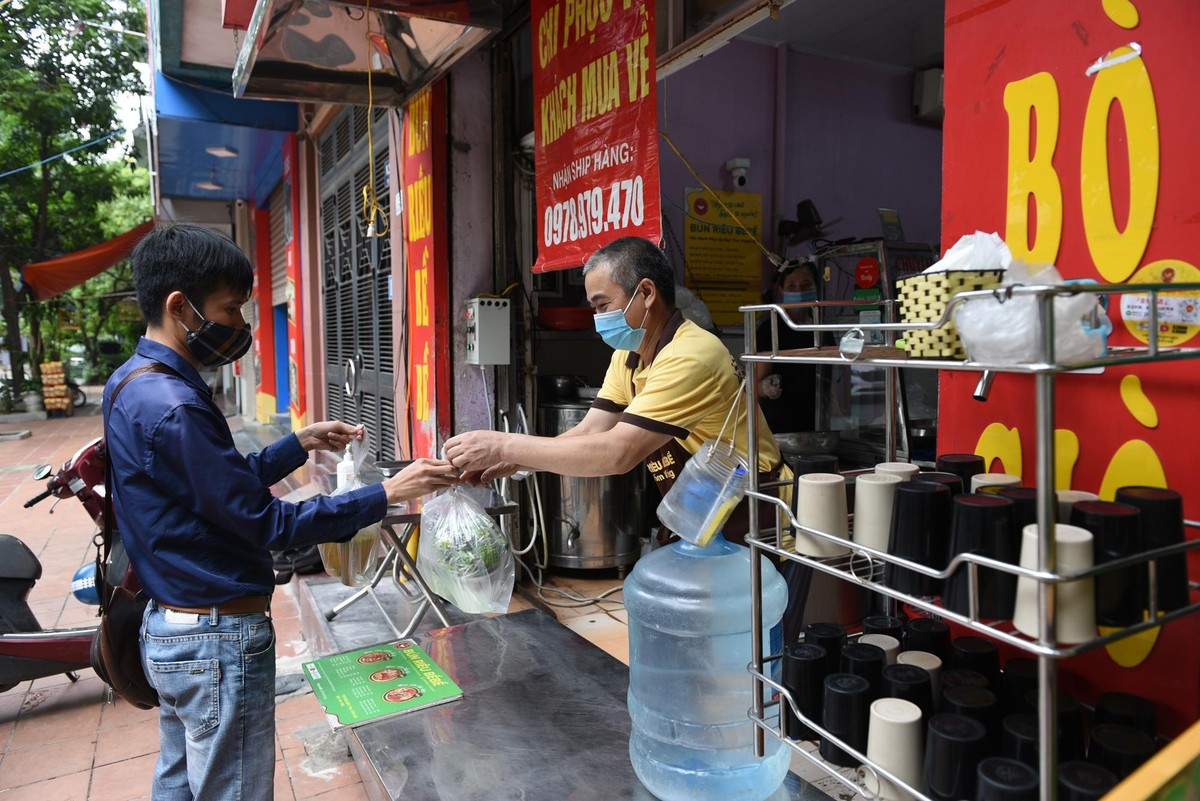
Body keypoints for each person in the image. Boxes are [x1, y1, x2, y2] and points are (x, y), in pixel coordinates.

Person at [105, 223, 458, 801]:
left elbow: (213, 490)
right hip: (213, 641)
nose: (243, 324)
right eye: (231, 308)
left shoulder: (132, 383)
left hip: (173, 629)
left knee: (179, 783)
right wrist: (388, 495)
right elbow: (269, 525)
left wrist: (300, 443)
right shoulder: (172, 405)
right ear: (179, 306)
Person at [443, 236, 790, 548]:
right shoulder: (629, 357)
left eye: (602, 304)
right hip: (702, 507)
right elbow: (590, 431)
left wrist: (503, 444)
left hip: (753, 508)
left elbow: (617, 453)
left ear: (646, 293)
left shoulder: (692, 355)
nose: (597, 317)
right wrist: (518, 461)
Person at [755, 259, 819, 435]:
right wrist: (766, 388)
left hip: (816, 426)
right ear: (782, 290)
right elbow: (754, 386)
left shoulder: (822, 329)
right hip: (777, 429)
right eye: (792, 286)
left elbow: (831, 383)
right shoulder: (770, 330)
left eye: (806, 285)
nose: (799, 291)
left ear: (815, 287)